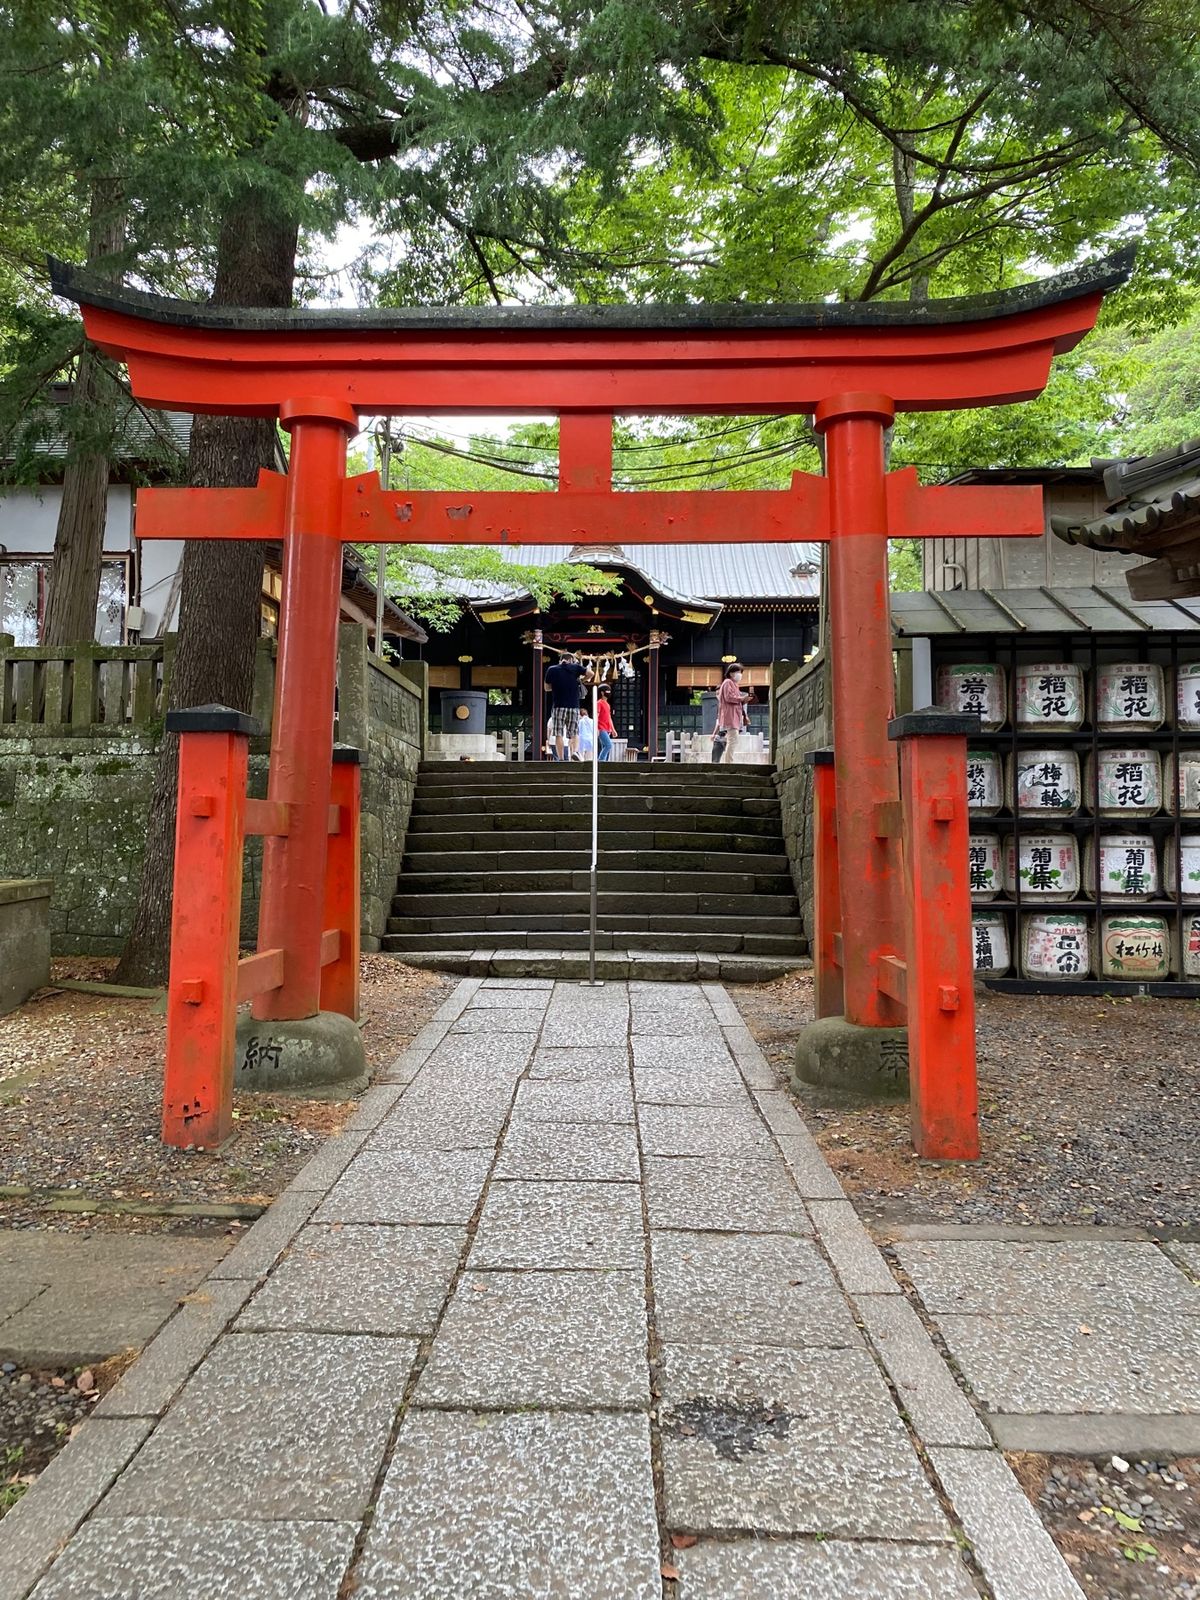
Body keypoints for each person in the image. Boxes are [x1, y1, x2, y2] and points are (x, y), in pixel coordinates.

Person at [544, 650, 593, 761]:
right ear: (572, 660)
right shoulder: (576, 667)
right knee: (574, 732)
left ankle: (561, 758)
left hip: (558, 706)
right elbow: (591, 673)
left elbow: (546, 688)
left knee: (559, 733)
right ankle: (575, 751)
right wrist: (581, 681)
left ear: (560, 660)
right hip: (574, 706)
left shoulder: (552, 669)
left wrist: (557, 686)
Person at [712, 661, 750, 763]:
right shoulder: (728, 682)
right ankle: (729, 763)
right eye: (738, 672)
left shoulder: (733, 684)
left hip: (733, 716)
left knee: (732, 740)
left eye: (740, 672)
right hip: (730, 716)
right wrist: (742, 699)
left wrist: (743, 700)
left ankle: (729, 762)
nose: (740, 674)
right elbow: (729, 697)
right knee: (733, 740)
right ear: (731, 673)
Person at [595, 684, 616, 761]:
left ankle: (604, 762)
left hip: (607, 729)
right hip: (601, 728)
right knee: (608, 745)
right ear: (602, 693)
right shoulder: (599, 703)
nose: (609, 693)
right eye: (607, 691)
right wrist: (596, 728)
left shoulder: (607, 704)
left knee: (605, 746)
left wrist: (613, 729)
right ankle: (600, 761)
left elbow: (609, 718)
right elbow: (596, 715)